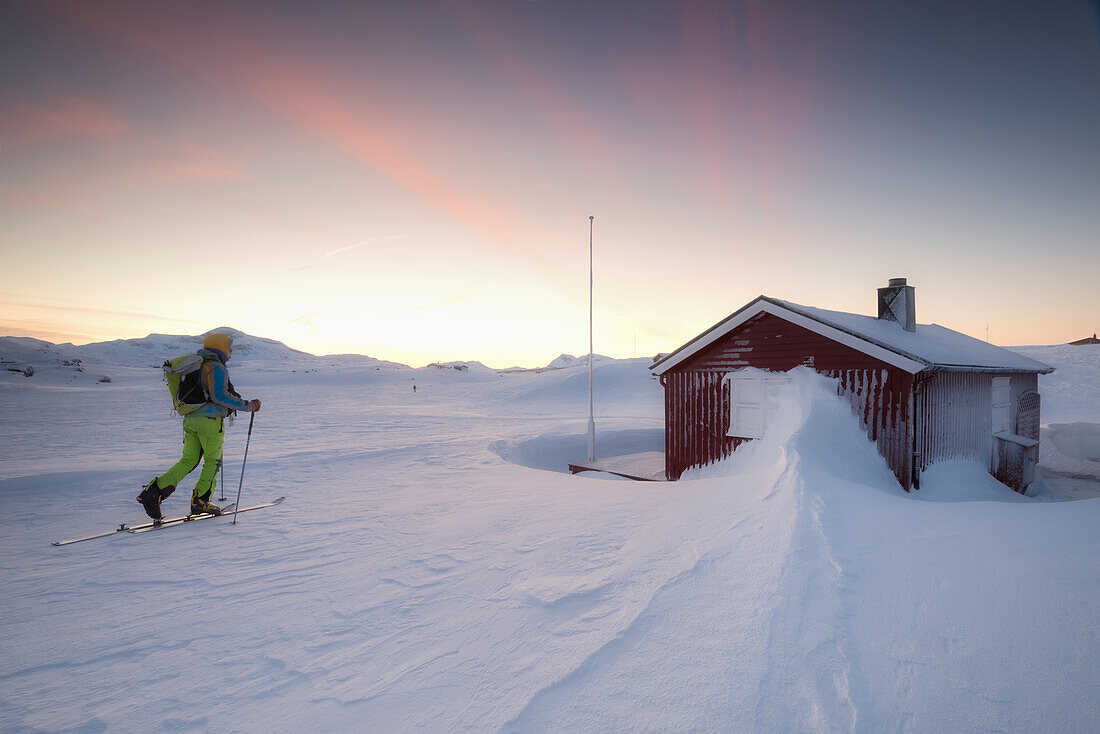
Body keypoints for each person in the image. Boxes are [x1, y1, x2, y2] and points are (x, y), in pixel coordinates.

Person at [137, 333, 261, 520]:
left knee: (188, 460)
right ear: (220, 347)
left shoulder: (195, 365)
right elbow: (220, 396)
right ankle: (201, 501)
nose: (231, 351)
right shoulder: (215, 366)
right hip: (210, 421)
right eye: (229, 347)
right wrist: (247, 405)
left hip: (191, 418)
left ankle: (153, 493)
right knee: (213, 461)